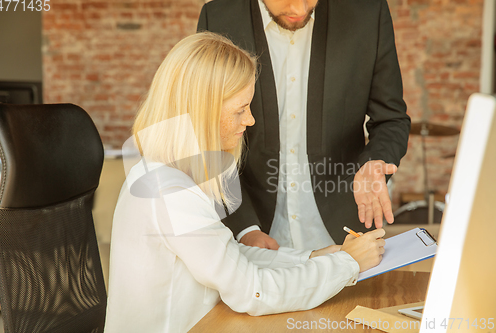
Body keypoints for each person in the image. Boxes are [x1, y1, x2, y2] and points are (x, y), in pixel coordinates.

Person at [103, 32, 386, 333]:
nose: (250, 120)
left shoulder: (171, 171)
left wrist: (318, 256)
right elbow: (251, 290)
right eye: (240, 110)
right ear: (203, 112)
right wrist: (347, 265)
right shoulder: (170, 191)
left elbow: (230, 258)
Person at [197, 0, 411, 250]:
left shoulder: (367, 14)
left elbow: (391, 119)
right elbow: (207, 135)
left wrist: (374, 161)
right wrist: (245, 228)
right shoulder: (218, 18)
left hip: (346, 240)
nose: (300, 10)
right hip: (253, 237)